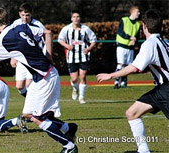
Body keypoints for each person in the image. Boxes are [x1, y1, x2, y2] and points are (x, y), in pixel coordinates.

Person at [0, 8, 78, 153]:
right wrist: (49, 56)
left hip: (45, 77)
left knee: (38, 119)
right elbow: (48, 33)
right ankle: (68, 128)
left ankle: (69, 147)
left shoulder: (1, 40)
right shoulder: (20, 26)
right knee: (29, 115)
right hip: (43, 76)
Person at [97, 10, 167, 153]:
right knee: (132, 113)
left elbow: (134, 68)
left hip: (166, 90)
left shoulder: (150, 44)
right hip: (160, 90)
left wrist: (111, 75)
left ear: (144, 27)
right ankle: (143, 150)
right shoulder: (163, 42)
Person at [58, 10, 97, 104]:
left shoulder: (85, 29)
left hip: (83, 56)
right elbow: (60, 39)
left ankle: (82, 97)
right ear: (71, 19)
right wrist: (67, 46)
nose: (76, 18)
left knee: (83, 76)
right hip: (71, 56)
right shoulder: (66, 29)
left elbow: (93, 40)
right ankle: (75, 89)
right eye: (74, 17)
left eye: (78, 17)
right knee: (74, 79)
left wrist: (89, 49)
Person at [10, 3, 46, 97]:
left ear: (31, 14)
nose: (25, 18)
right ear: (19, 14)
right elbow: (13, 41)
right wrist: (13, 57)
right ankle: (31, 101)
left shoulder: (38, 25)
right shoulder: (16, 24)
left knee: (29, 85)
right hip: (21, 59)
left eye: (27, 15)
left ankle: (33, 107)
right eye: (22, 15)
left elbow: (46, 41)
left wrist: (45, 56)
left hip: (34, 59)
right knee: (19, 86)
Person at [113, 6, 141, 89]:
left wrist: (134, 41)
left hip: (130, 47)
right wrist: (129, 37)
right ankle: (116, 82)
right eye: (137, 12)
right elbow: (120, 31)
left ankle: (124, 83)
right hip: (122, 46)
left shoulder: (137, 24)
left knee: (128, 66)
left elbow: (137, 36)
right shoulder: (124, 20)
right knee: (120, 64)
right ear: (132, 12)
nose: (138, 13)